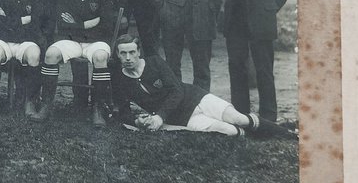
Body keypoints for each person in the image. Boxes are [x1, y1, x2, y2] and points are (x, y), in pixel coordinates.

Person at [110, 36, 293, 138]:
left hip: (196, 98)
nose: (128, 58)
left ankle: (288, 135)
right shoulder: (120, 80)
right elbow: (123, 110)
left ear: (138, 52)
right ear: (117, 55)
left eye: (132, 52)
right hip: (181, 118)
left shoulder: (155, 63)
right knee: (229, 131)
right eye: (123, 53)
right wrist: (137, 121)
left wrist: (159, 116)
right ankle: (258, 136)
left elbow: (177, 91)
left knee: (238, 118)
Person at [30, 0, 117, 125]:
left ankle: (98, 108)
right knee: (50, 54)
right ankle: (47, 105)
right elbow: (63, 24)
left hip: (97, 42)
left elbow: (107, 24)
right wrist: (86, 24)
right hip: (73, 41)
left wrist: (75, 23)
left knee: (100, 57)